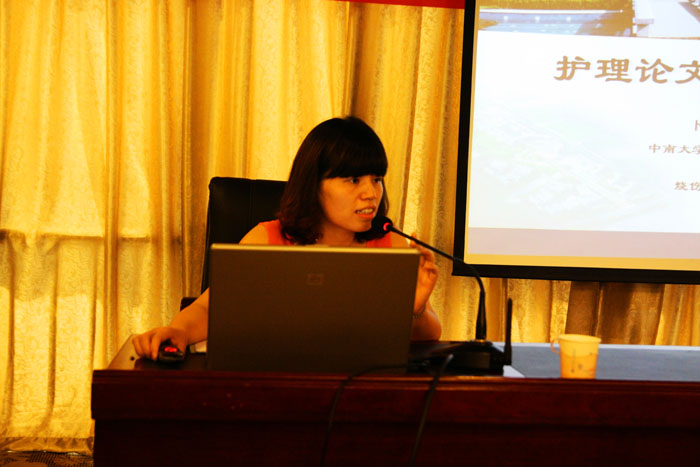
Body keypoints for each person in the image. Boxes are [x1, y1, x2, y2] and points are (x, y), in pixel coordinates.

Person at [133, 116, 442, 360]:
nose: (371, 193)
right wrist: (178, 331)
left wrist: (414, 310)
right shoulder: (267, 239)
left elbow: (429, 335)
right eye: (353, 179)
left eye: (377, 179)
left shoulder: (391, 245)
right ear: (314, 184)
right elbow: (210, 309)